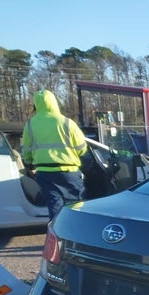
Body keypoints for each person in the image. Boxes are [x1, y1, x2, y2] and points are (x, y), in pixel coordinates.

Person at [21, 90, 88, 220]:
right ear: (54, 103)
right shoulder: (67, 122)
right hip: (68, 171)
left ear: (36, 105)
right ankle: (74, 236)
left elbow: (26, 151)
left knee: (54, 206)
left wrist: (30, 163)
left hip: (45, 173)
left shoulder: (30, 124)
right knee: (74, 206)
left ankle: (57, 237)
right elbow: (82, 148)